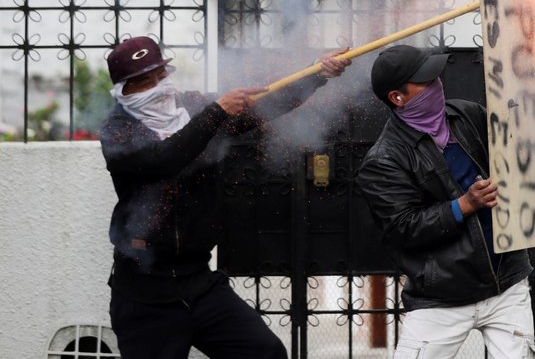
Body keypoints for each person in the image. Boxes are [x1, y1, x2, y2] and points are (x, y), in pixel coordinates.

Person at [98, 35, 350, 359]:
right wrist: (216, 111)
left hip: (200, 284)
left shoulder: (190, 106)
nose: (158, 86)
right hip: (146, 295)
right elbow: (165, 159)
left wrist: (316, 74)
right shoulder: (117, 130)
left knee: (266, 352)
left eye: (161, 76)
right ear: (123, 90)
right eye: (145, 82)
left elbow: (263, 106)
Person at [356, 44, 535, 358]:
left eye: (436, 78)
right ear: (397, 98)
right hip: (442, 297)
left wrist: (531, 112)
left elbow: (512, 149)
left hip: (506, 283)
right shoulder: (383, 161)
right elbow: (404, 229)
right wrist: (465, 204)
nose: (437, 85)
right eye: (425, 83)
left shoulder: (465, 115)